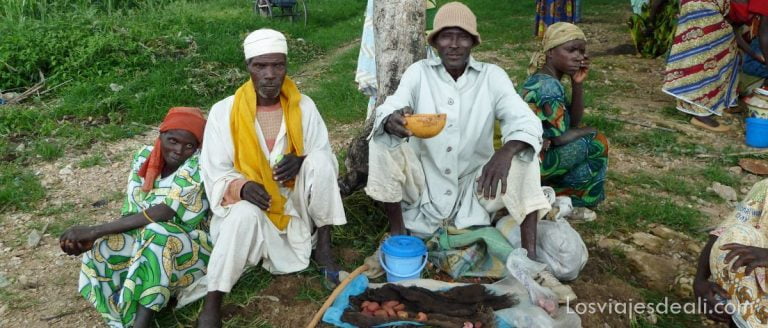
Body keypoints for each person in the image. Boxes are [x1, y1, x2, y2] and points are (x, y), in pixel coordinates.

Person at [366, 2, 584, 300]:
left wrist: (505, 152)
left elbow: (526, 121)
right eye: (446, 36)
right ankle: (398, 233)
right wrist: (391, 118)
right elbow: (393, 104)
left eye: (462, 36)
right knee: (382, 140)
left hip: (476, 186)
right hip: (423, 187)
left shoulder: (491, 76)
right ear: (435, 42)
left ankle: (531, 261)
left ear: (473, 41)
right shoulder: (419, 73)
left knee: (524, 154)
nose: (454, 44)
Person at [197, 28, 347, 327]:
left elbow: (326, 159)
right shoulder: (223, 112)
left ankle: (324, 247)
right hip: (256, 208)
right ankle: (213, 301)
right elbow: (215, 171)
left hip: (295, 206)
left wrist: (301, 160)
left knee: (319, 160)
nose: (269, 74)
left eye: (277, 65)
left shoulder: (304, 106)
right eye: (260, 66)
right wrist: (242, 186)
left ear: (286, 66)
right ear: (248, 68)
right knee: (241, 215)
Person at [59, 107, 210, 328]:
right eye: (173, 140)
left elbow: (164, 212)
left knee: (157, 233)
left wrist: (95, 229)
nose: (179, 150)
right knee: (102, 246)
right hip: (146, 243)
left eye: (189, 145)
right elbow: (131, 213)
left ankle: (143, 323)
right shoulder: (143, 157)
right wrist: (96, 237)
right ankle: (121, 321)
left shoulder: (197, 164)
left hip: (192, 251)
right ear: (160, 135)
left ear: (197, 147)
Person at [521, 22, 609, 210]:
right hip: (532, 162)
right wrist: (590, 131)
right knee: (597, 141)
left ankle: (557, 190)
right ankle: (577, 198)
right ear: (550, 52)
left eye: (581, 51)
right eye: (571, 50)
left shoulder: (543, 79)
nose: (578, 56)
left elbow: (572, 123)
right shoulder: (548, 86)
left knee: (584, 137)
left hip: (532, 157)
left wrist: (577, 83)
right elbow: (560, 138)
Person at [653, 0, 768, 132]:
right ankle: (699, 114)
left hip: (698, 6)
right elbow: (764, 34)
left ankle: (725, 102)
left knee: (729, 52)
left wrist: (755, 56)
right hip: (704, 7)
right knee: (706, 59)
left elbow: (734, 33)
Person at [694, 179, 768, 327]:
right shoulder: (765, 188)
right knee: (738, 234)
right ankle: (745, 319)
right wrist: (700, 280)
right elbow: (726, 232)